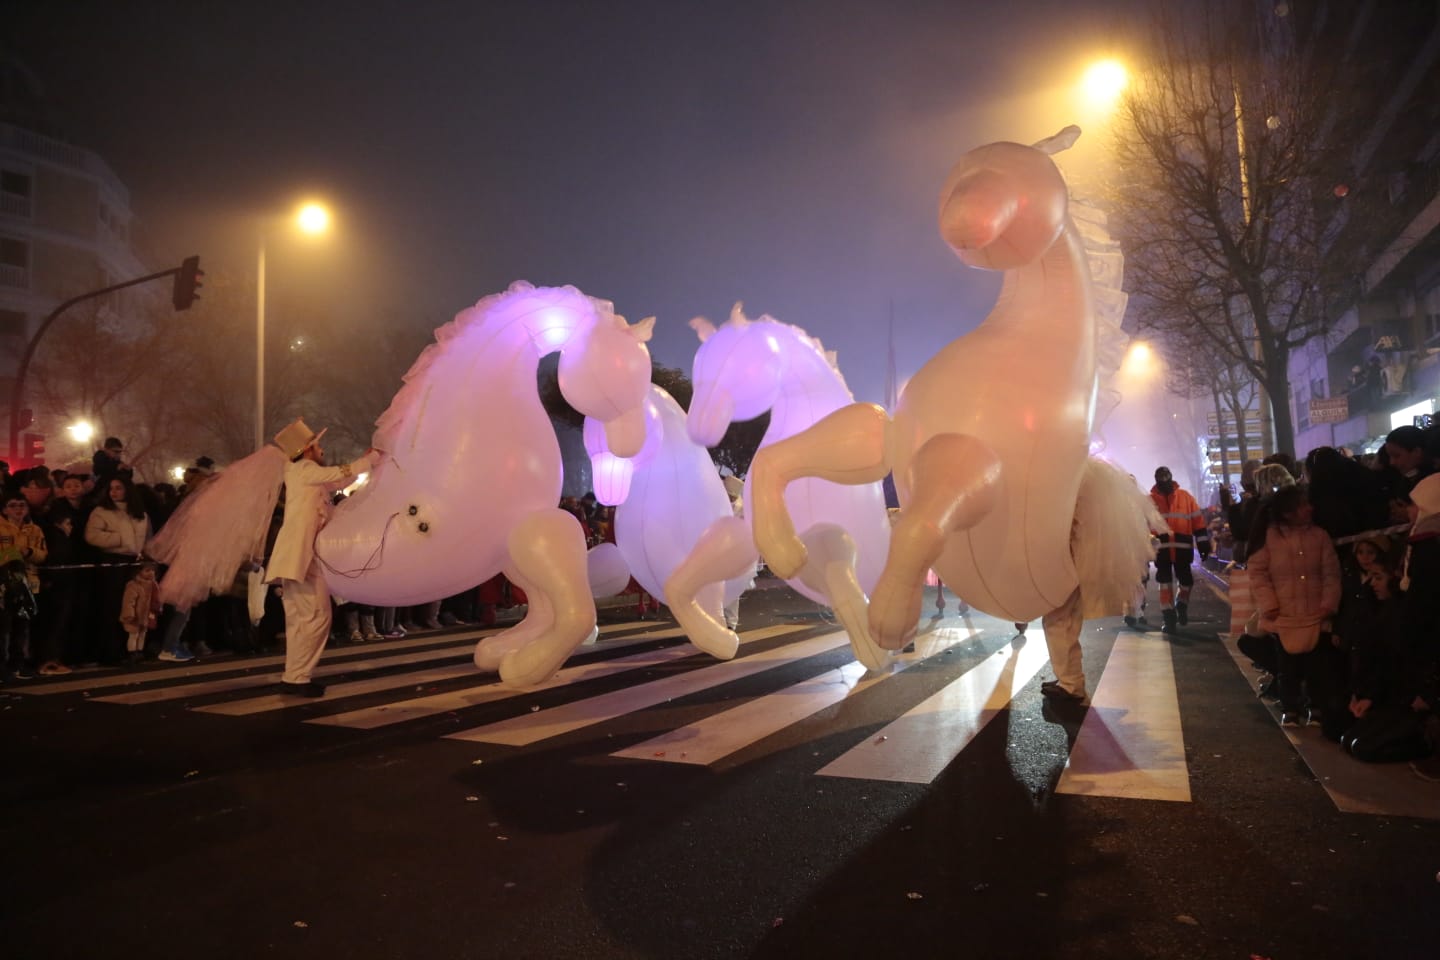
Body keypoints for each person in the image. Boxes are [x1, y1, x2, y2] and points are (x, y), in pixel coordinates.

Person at [266, 419, 379, 697]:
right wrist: (371, 459)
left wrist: (365, 462)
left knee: (302, 620)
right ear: (307, 450)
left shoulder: (304, 474)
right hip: (300, 559)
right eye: (317, 446)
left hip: (300, 560)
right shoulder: (303, 469)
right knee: (315, 617)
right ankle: (297, 678)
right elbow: (339, 472)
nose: (322, 450)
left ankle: (294, 676)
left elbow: (338, 480)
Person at [1248, 486, 1341, 726]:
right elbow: (1258, 573)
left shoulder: (1319, 536)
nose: (1309, 508)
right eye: (1302, 505)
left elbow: (1331, 574)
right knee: (1287, 667)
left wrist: (1328, 604)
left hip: (1316, 614)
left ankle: (1316, 707)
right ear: (1288, 512)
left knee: (1316, 666)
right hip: (1283, 615)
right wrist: (1269, 604)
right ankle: (1290, 707)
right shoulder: (1270, 538)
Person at [1149, 466, 1210, 633]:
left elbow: (1198, 522)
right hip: (1161, 549)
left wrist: (1203, 543)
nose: (1164, 481)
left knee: (1186, 580)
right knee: (1164, 582)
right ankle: (1168, 616)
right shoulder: (1150, 501)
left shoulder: (1185, 497)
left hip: (1182, 548)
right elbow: (1144, 525)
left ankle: (1181, 603)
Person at [119, 561, 161, 665]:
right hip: (134, 617)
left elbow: (156, 599)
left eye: (153, 570)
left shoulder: (153, 585)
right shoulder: (133, 585)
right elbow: (129, 601)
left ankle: (140, 651)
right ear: (138, 572)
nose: (151, 573)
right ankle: (132, 653)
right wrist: (129, 614)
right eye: (147, 570)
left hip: (145, 617)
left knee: (142, 634)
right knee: (133, 635)